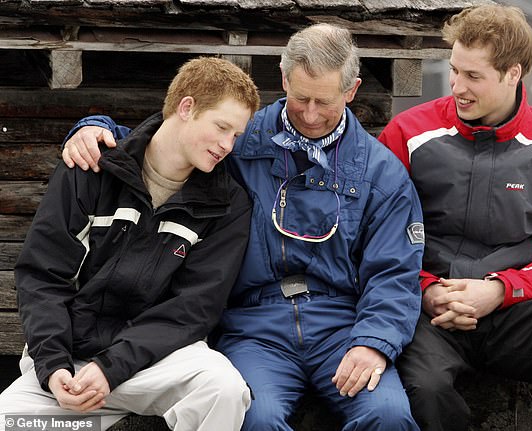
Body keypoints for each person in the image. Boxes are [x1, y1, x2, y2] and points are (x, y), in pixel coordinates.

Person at [58, 24, 424, 430]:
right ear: (284, 78)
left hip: (343, 325)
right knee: (255, 417)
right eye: (300, 97)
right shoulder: (240, 139)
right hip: (252, 327)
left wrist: (374, 342)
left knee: (388, 414)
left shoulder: (381, 173)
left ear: (352, 90)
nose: (310, 113)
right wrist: (95, 127)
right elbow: (169, 143)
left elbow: (395, 271)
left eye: (325, 101)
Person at [378, 5, 532, 431]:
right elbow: (374, 236)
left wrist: (501, 289)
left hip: (515, 308)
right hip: (425, 311)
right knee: (426, 388)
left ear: (513, 74)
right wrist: (428, 291)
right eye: (454, 70)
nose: (457, 86)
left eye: (474, 76)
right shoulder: (407, 134)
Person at [0, 56, 260, 431]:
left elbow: (194, 308)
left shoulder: (228, 203)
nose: (227, 146)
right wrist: (53, 367)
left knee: (222, 388)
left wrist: (113, 366)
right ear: (186, 108)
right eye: (221, 127)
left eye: (235, 135)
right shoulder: (91, 167)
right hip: (69, 358)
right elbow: (42, 276)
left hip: (155, 362)